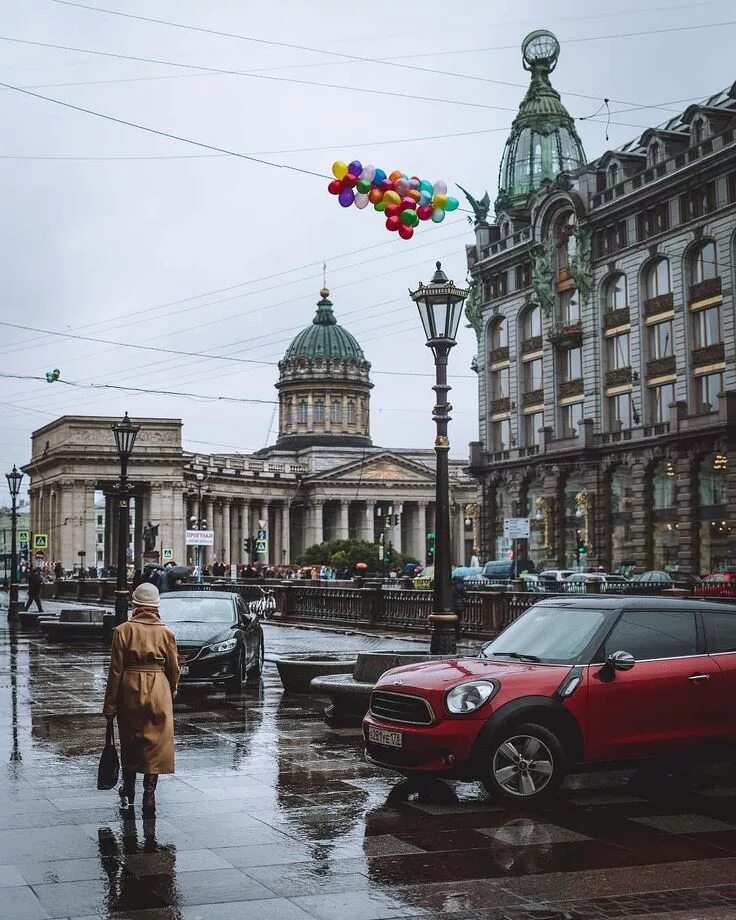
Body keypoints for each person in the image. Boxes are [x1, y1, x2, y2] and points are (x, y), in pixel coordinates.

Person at [103, 583, 180, 818]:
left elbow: (115, 671)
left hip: (129, 687)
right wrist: (171, 690)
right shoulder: (166, 633)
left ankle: (128, 789)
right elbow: (174, 668)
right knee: (156, 743)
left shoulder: (122, 631)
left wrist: (110, 705)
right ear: (156, 607)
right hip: (158, 687)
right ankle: (150, 793)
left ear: (135, 605)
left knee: (130, 739)